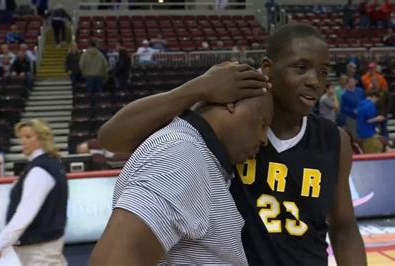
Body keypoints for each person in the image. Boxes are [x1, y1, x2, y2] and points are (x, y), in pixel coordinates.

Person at [97, 23, 367, 265]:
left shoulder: (335, 141)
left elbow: (343, 228)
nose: (314, 81)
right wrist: (198, 87)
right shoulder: (225, 123)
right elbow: (112, 137)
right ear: (268, 68)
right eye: (301, 68)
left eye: (323, 72)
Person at [90, 91, 273, 265]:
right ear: (231, 104)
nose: (264, 139)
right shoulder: (182, 154)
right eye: (262, 124)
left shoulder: (196, 153)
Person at [0, 119, 68, 265]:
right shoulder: (51, 165)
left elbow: (25, 214)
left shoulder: (39, 170)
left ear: (42, 139)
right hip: (45, 246)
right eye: (21, 137)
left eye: (28, 137)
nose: (22, 141)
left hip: (39, 250)